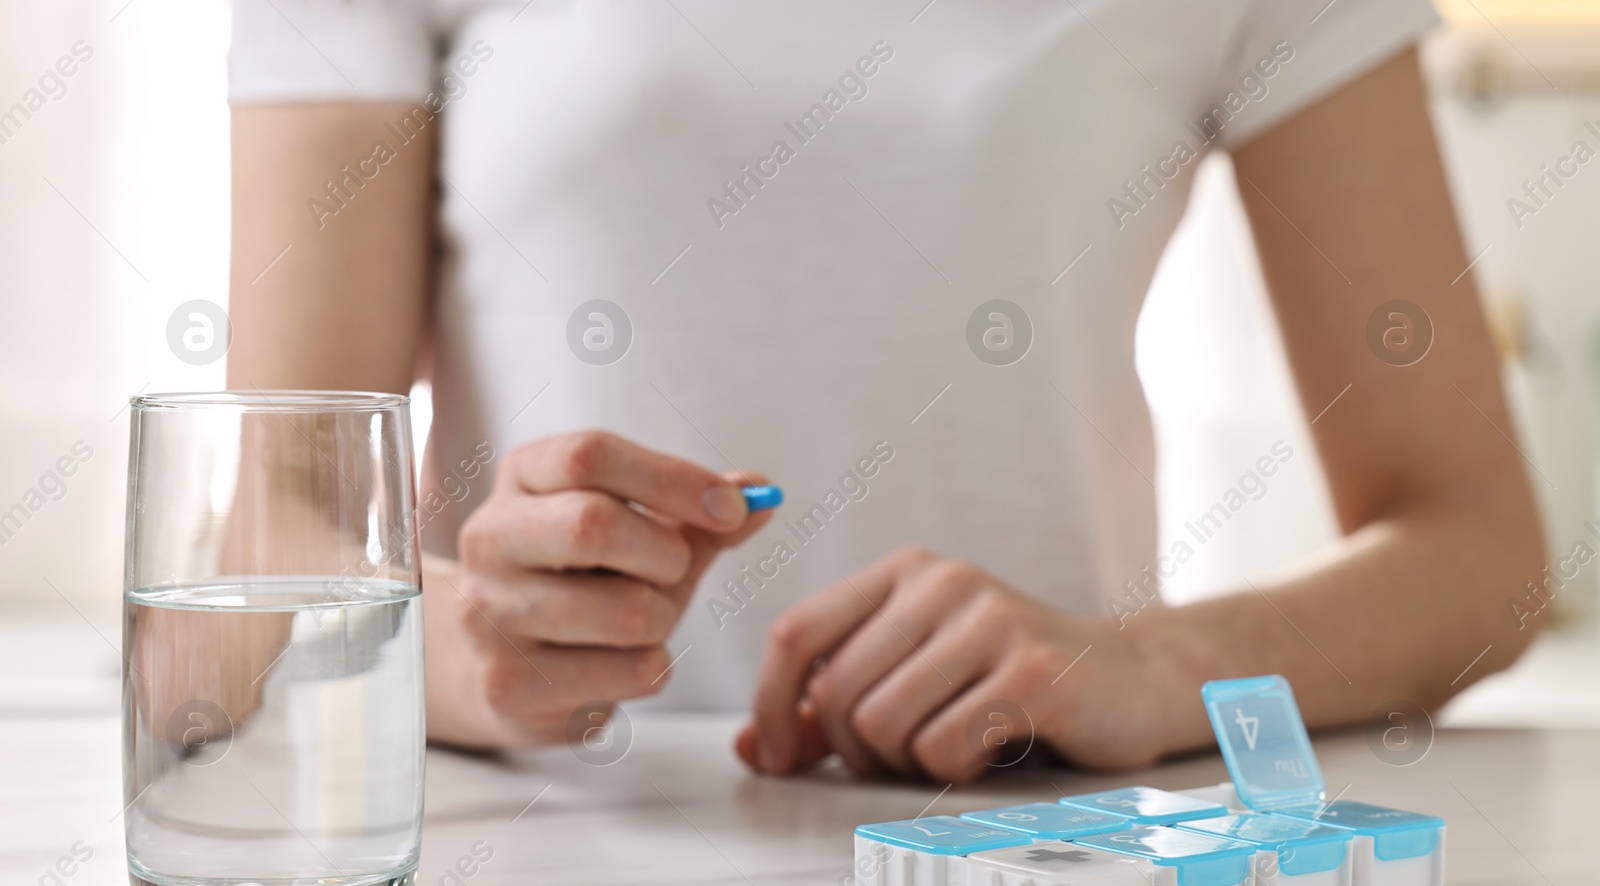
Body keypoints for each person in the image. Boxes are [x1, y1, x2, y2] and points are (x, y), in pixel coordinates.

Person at [225, 0, 1545, 783]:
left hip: (1034, 865)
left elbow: (1479, 549)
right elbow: (268, 524)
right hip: (522, 874)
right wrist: (468, 647)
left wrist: (1152, 666)